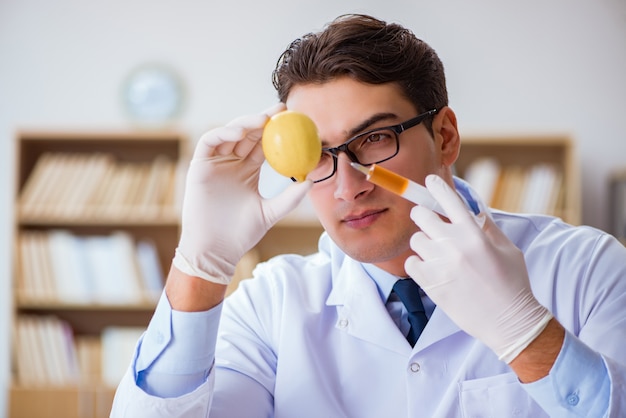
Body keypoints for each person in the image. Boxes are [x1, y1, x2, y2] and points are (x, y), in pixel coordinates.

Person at [110, 14, 626, 417]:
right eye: (318, 153)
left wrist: (526, 334)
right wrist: (200, 269)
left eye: (375, 139)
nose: (347, 184)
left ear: (444, 136)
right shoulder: (272, 306)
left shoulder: (587, 270)